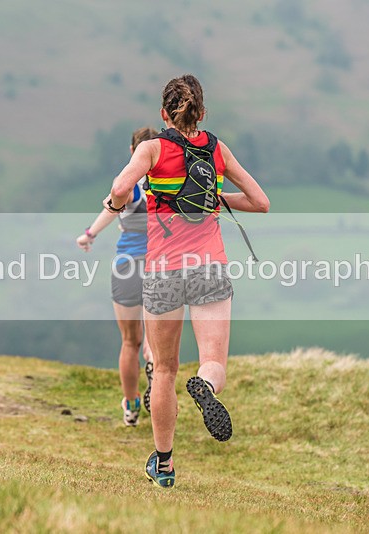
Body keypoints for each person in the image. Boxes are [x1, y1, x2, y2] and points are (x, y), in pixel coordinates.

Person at [103, 75, 270, 487]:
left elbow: (122, 187)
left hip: (162, 270)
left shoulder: (152, 148)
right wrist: (213, 195)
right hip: (209, 265)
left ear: (164, 113)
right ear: (203, 113)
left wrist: (114, 203)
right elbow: (260, 203)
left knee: (164, 370)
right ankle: (206, 385)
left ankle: (164, 464)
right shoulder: (216, 149)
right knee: (213, 361)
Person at [77, 127, 157, 427]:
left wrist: (88, 235)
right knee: (154, 341)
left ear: (132, 151)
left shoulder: (126, 186)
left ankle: (132, 405)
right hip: (157, 264)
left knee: (128, 341)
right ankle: (152, 363)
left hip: (125, 264)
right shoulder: (162, 188)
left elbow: (111, 210)